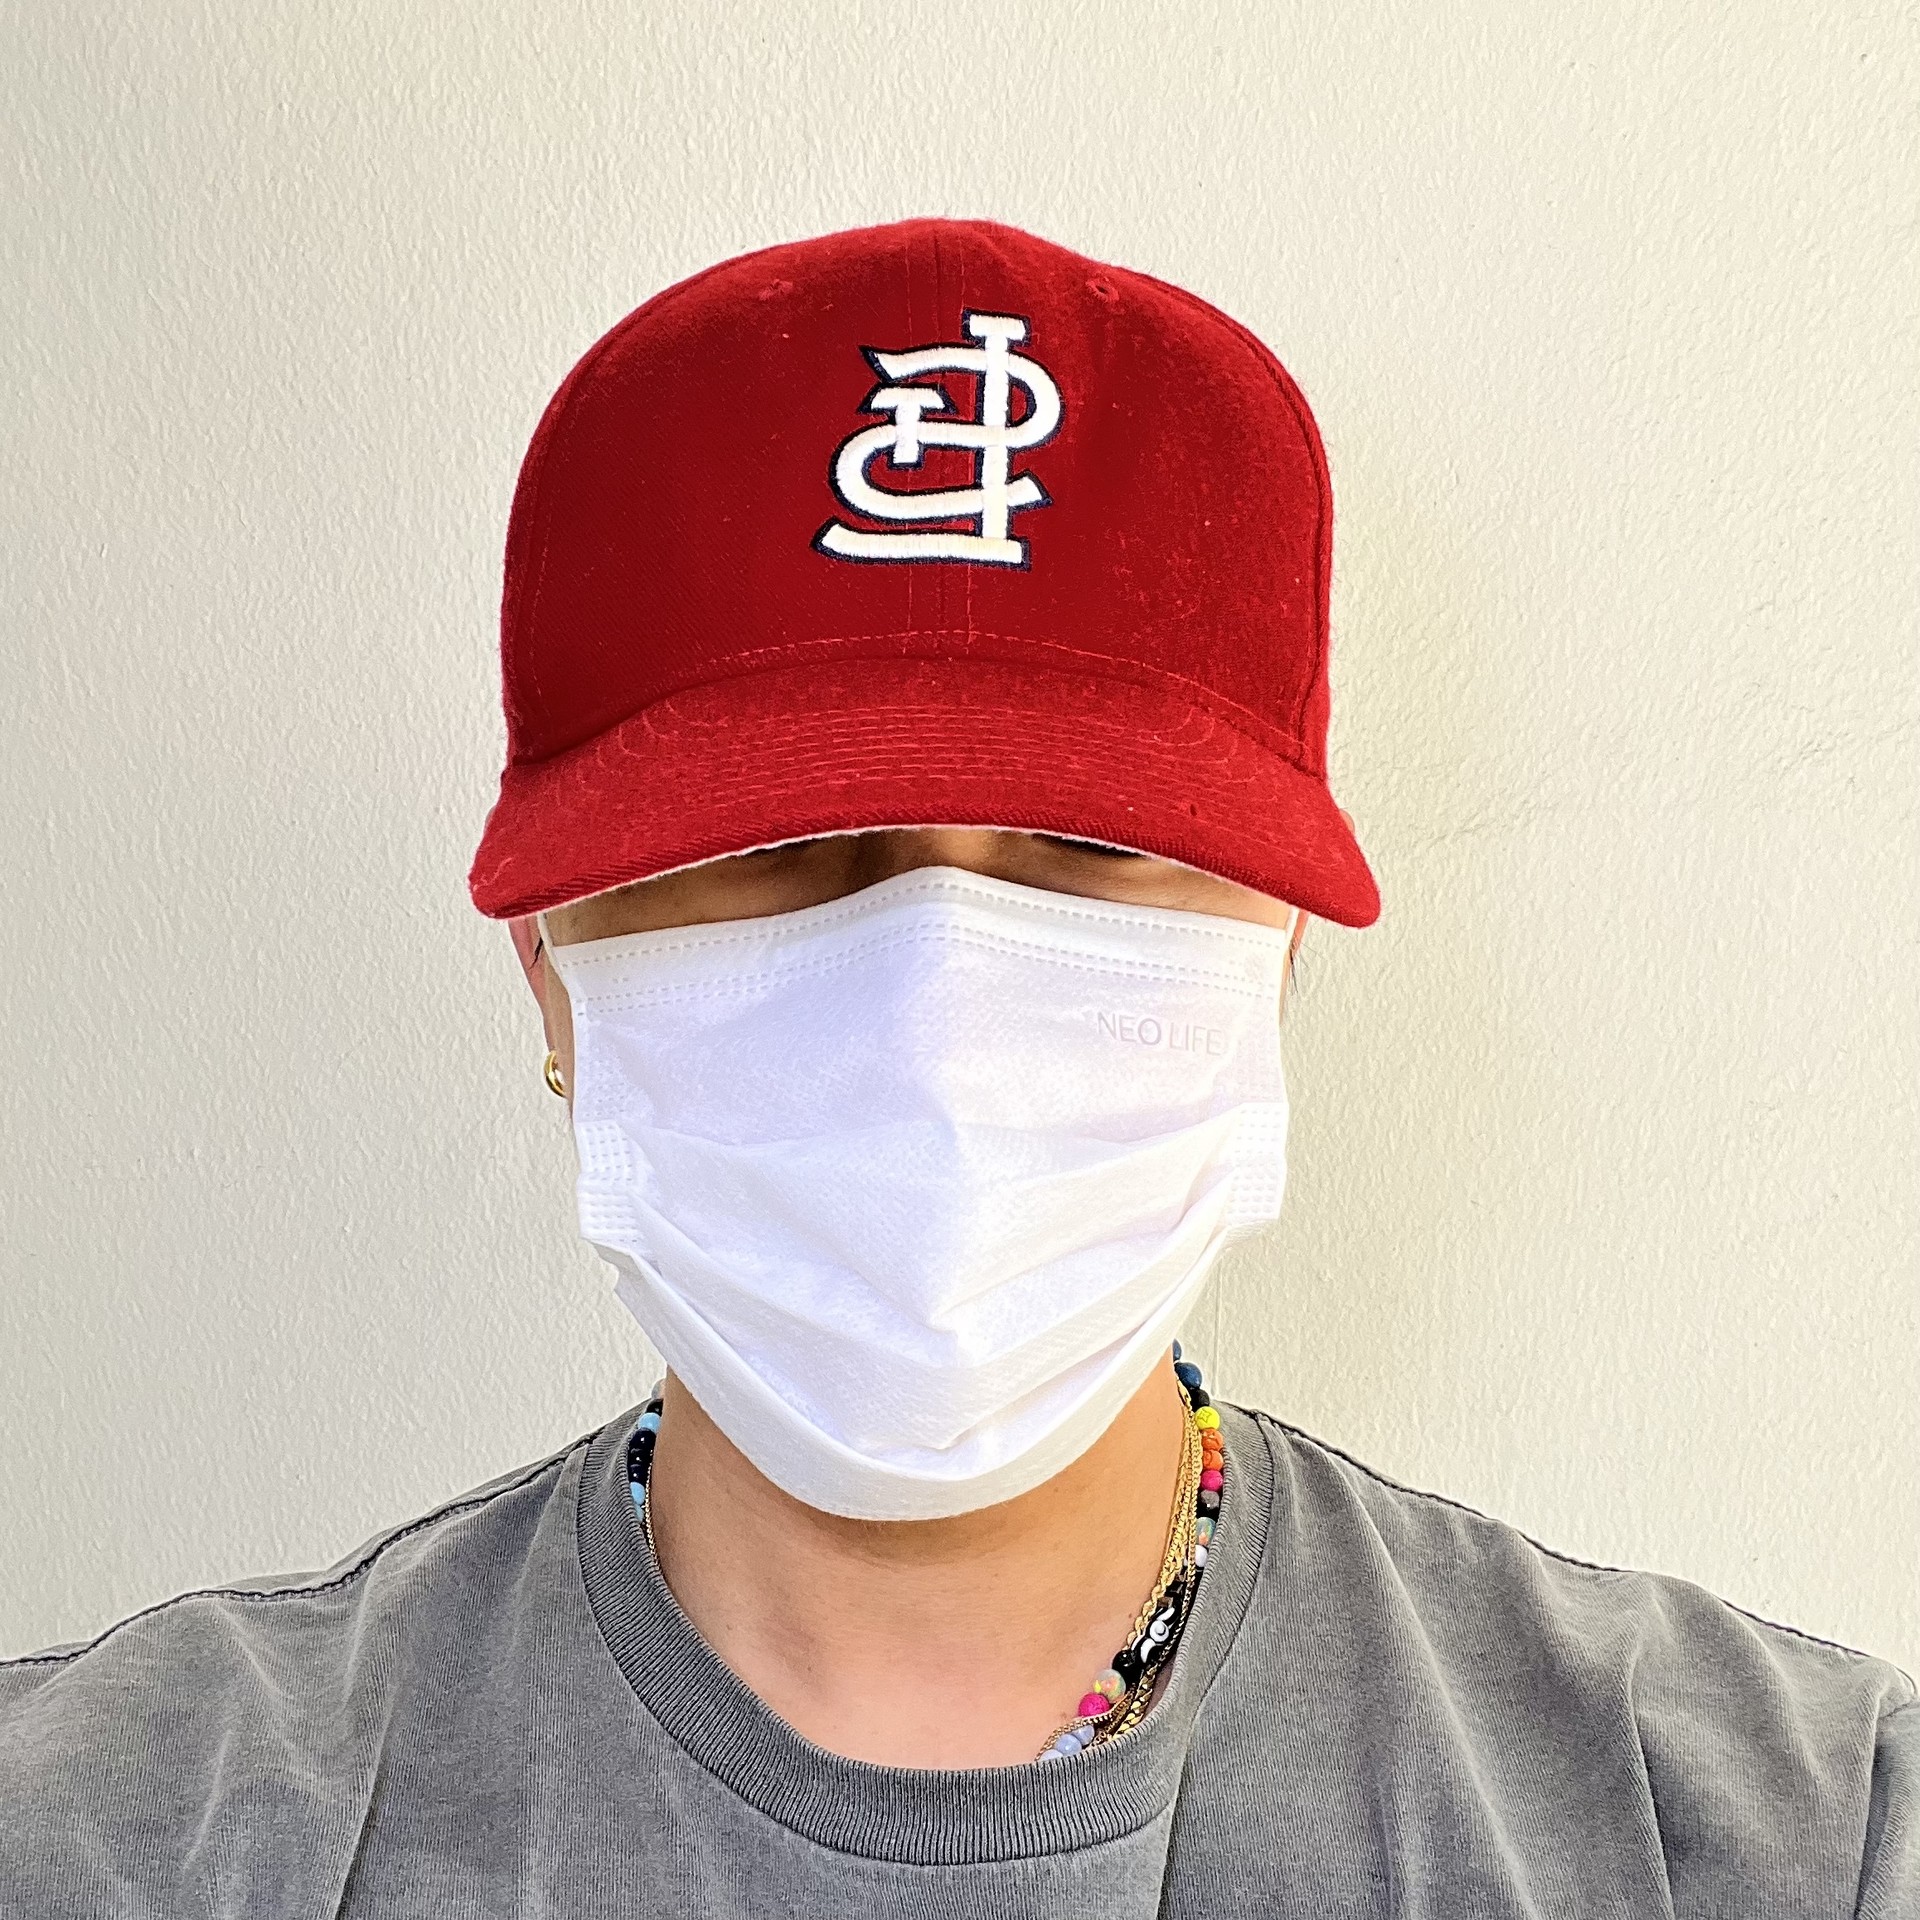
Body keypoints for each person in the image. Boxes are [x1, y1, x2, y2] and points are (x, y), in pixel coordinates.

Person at [1, 216, 1912, 1915]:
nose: (935, 1016)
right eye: (789, 849)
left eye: (1086, 850)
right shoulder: (123, 1833)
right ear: (554, 980)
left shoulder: (1779, 1836)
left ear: (1275, 953)